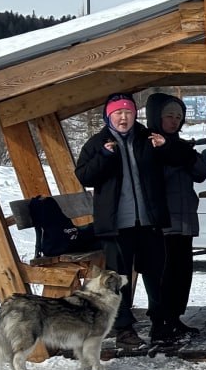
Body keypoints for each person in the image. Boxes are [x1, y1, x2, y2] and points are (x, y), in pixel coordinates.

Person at [75, 92, 192, 351]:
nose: (124, 117)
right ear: (109, 116)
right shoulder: (97, 143)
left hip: (149, 221)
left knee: (155, 275)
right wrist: (103, 157)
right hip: (116, 225)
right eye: (118, 113)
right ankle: (124, 329)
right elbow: (84, 176)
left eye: (128, 112)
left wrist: (166, 146)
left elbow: (182, 158)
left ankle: (160, 325)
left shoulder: (147, 138)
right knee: (118, 279)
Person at [145, 92, 206, 343]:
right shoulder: (147, 144)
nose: (174, 121)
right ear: (156, 117)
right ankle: (159, 322)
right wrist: (174, 151)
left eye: (178, 117)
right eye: (169, 116)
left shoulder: (181, 147)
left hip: (184, 219)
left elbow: (202, 172)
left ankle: (174, 318)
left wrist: (180, 151)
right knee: (162, 273)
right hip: (161, 221)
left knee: (182, 272)